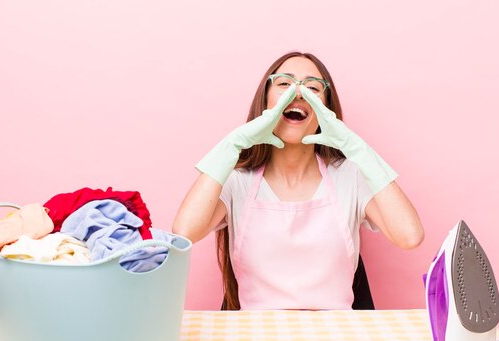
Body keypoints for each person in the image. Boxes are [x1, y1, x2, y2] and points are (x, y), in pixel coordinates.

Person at [173, 51, 424, 310]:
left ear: (327, 109)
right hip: (255, 339)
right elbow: (184, 232)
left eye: (313, 87)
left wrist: (356, 148)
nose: (298, 92)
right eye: (284, 83)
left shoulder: (350, 176)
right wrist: (234, 143)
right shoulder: (238, 182)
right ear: (265, 101)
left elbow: (410, 235)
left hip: (337, 340)